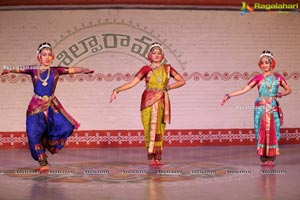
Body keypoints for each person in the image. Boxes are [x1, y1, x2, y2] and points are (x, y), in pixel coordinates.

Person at [1, 42, 94, 172]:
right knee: (33, 135)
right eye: (44, 55)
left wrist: (84, 70)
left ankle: (47, 144)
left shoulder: (56, 71)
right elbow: (18, 68)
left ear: (53, 57)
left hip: (51, 107)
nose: (47, 57)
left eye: (49, 55)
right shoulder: (33, 70)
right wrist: (6, 69)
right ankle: (43, 163)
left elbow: (71, 70)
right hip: (35, 108)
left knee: (65, 126)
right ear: (39, 57)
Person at [110, 42, 185, 166]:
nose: (156, 55)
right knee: (149, 128)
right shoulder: (145, 69)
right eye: (154, 53)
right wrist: (117, 90)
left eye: (159, 53)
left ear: (162, 56)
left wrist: (168, 88)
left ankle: (158, 157)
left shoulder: (168, 69)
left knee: (160, 128)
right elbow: (132, 83)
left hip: (161, 100)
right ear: (149, 55)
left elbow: (181, 81)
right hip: (148, 101)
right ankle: (151, 157)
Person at [221, 50, 291, 167]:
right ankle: (264, 158)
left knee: (272, 131)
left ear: (271, 64)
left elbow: (289, 90)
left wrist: (280, 94)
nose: (264, 65)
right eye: (262, 63)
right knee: (261, 130)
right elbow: (244, 90)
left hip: (272, 106)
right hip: (260, 107)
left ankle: (271, 158)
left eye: (267, 62)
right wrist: (229, 95)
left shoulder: (278, 78)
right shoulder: (257, 78)